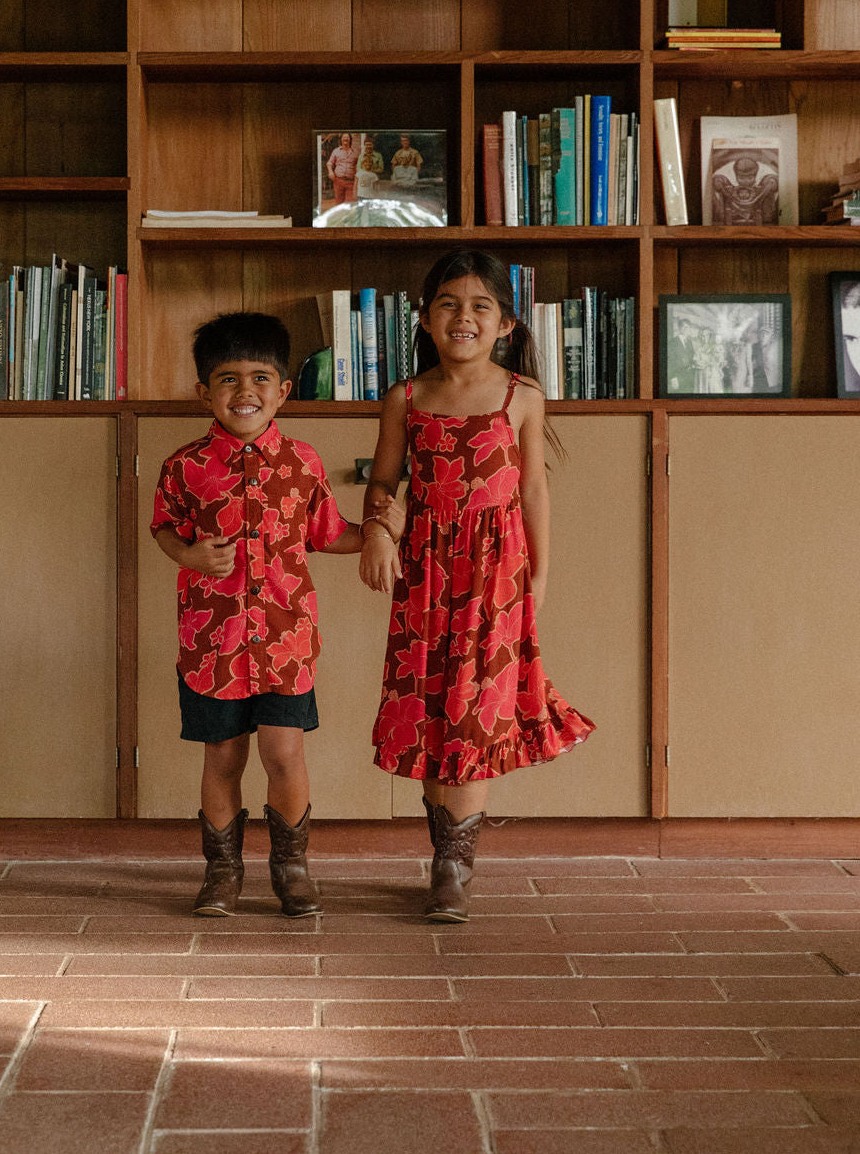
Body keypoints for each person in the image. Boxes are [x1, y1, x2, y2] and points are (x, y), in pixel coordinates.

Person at [359, 249, 595, 923]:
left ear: (507, 325)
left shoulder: (522, 396)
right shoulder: (405, 399)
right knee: (435, 710)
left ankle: (454, 867)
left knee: (475, 712)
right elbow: (383, 483)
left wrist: (539, 576)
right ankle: (443, 855)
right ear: (426, 320)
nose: (464, 317)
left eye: (480, 306)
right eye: (449, 305)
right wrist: (380, 530)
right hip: (425, 574)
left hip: (496, 576)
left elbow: (535, 491)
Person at [152, 311, 403, 919]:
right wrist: (188, 554)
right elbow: (163, 529)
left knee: (284, 753)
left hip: (287, 643)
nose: (246, 392)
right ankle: (222, 871)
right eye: (228, 379)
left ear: (284, 390)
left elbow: (328, 533)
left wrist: (377, 532)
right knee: (223, 757)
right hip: (212, 645)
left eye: (261, 378)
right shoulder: (184, 466)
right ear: (203, 392)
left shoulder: (304, 462)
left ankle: (292, 867)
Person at [326, 132, 358, 205]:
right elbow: (329, 163)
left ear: (350, 140)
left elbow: (358, 165)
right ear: (341, 140)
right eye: (344, 137)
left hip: (351, 182)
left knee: (349, 204)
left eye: (347, 137)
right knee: (339, 203)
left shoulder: (355, 152)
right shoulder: (336, 151)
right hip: (338, 181)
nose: (346, 139)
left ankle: (348, 216)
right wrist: (331, 172)